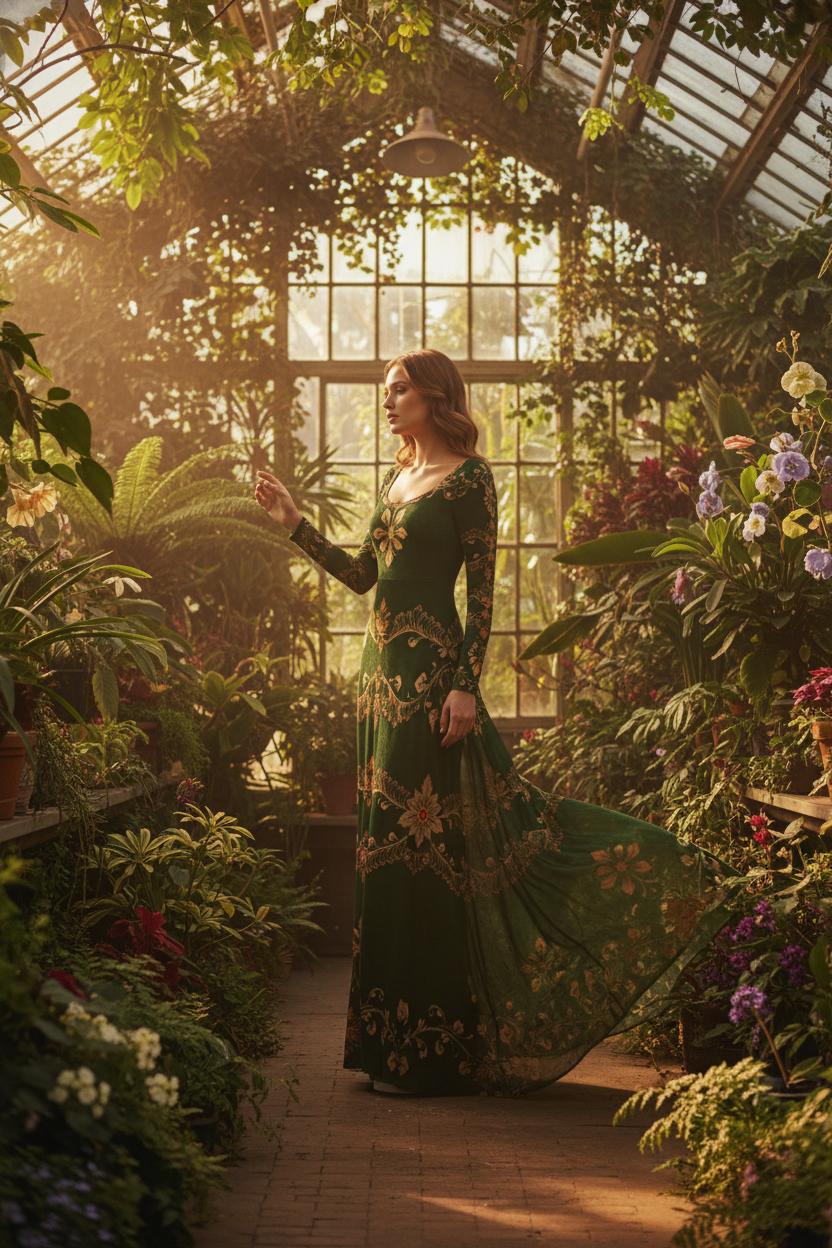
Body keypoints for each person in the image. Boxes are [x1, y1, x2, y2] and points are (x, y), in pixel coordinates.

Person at [254, 348, 733, 1098]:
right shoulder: (397, 480)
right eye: (387, 390)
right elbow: (363, 577)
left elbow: (482, 595)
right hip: (379, 688)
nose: (389, 400)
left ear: (437, 396)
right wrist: (293, 524)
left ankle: (437, 1054)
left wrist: (466, 688)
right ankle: (387, 1048)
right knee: (384, 854)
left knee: (434, 853)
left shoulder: (471, 480)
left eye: (400, 389)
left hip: (433, 686)